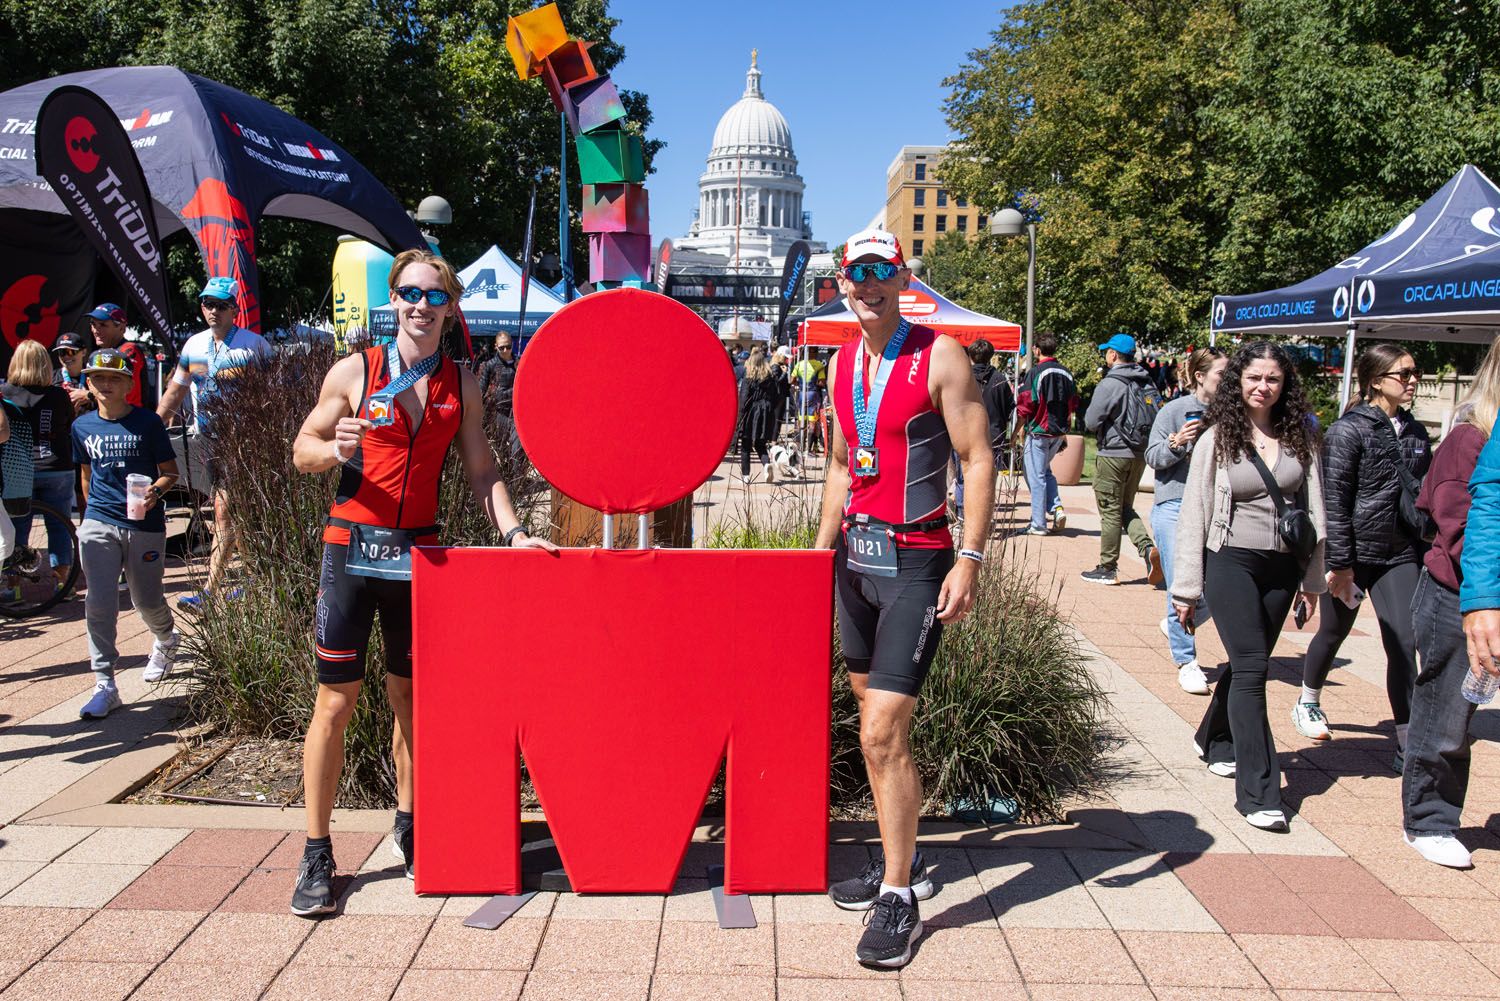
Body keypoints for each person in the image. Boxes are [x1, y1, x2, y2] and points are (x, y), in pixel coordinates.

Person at [289, 249, 556, 918]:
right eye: (408, 293)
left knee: (413, 702)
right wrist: (335, 449)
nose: (419, 305)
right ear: (394, 300)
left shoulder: (460, 383)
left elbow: (484, 469)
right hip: (350, 552)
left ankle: (411, 826)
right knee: (334, 703)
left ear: (449, 307)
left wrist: (515, 532)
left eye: (432, 296)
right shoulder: (356, 370)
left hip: (420, 558)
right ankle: (316, 851)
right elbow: (302, 449)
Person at [814, 229, 993, 968]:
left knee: (884, 731)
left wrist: (972, 559)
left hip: (919, 558)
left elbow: (978, 458)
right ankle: (907, 858)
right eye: (858, 274)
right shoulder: (837, 362)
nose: (870, 286)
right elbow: (836, 466)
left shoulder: (941, 354)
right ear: (843, 281)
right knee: (874, 726)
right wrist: (817, 554)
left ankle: (899, 896)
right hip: (856, 557)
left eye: (883, 272)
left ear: (903, 275)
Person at [1172, 341, 1326, 831]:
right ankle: (1260, 792)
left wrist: (1313, 577)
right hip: (1230, 561)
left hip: (1283, 564)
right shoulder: (1217, 438)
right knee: (1254, 666)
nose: (1263, 387)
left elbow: (1315, 508)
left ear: (1285, 386)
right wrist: (1186, 590)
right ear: (1238, 381)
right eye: (1254, 378)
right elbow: (1194, 515)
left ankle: (1213, 736)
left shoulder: (1302, 437)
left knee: (1245, 664)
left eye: (1273, 379)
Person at [1294, 344, 1431, 765]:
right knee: (1334, 632)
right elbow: (1335, 501)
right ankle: (1308, 699)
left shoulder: (1417, 432)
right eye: (1401, 374)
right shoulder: (1347, 431)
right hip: (1354, 555)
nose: (1410, 381)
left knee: (1404, 642)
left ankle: (1406, 735)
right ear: (1375, 380)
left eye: (1413, 373)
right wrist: (1340, 563)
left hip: (1399, 554)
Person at [1402, 337, 1500, 869]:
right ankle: (1429, 820)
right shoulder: (1471, 437)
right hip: (1456, 595)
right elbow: (1457, 522)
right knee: (1446, 716)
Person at [71, 348, 180, 718]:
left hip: (144, 523)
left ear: (128, 384)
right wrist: (91, 518)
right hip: (100, 521)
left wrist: (156, 492)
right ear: (88, 383)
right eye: (98, 378)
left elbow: (170, 472)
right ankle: (105, 683)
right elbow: (86, 476)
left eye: (114, 379)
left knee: (145, 600)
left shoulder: (148, 423)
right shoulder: (81, 426)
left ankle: (166, 638)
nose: (105, 385)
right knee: (99, 602)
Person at [156, 277, 273, 607]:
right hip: (209, 441)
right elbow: (175, 392)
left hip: (244, 443)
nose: (214, 311)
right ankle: (255, 580)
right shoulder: (194, 345)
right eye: (208, 304)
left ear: (235, 310)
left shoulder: (255, 346)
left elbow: (276, 395)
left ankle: (210, 589)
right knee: (238, 514)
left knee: (223, 511)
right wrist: (153, 428)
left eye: (222, 305)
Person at [1145, 347, 1226, 695]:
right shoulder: (1175, 411)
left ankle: (1175, 622)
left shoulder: (1234, 415)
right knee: (1182, 584)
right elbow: (1152, 456)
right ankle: (1186, 661)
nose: (1230, 381)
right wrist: (1176, 443)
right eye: (1223, 374)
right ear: (1200, 377)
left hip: (1217, 508)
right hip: (1174, 504)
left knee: (1216, 590)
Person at [1082, 333, 1163, 584]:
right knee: (1125, 507)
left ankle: (1107, 567)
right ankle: (1148, 550)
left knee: (1110, 511)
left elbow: (1090, 421)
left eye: (1107, 351)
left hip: (1113, 455)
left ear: (1113, 355)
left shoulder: (1111, 383)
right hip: (1139, 454)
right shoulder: (1147, 381)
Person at [1, 340, 76, 597]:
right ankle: (61, 583)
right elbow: (67, 425)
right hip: (57, 467)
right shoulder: (59, 395)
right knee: (60, 526)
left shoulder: (5, 393)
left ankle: (13, 586)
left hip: (18, 471)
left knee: (16, 528)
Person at [1014, 331, 1077, 535]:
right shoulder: (1066, 373)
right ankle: (1056, 508)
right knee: (1045, 472)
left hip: (1039, 432)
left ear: (1037, 350)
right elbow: (1073, 403)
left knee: (1036, 476)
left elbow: (1025, 403)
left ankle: (1038, 523)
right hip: (1057, 433)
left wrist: (1016, 431)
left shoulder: (1035, 373)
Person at [953, 339, 1013, 520]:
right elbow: (1010, 409)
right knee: (988, 479)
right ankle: (984, 515)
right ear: (991, 356)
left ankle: (963, 513)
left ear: (969, 356)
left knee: (963, 476)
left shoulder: (960, 377)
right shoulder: (1000, 380)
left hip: (964, 435)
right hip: (993, 436)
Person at [87, 303, 148, 407]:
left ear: (121, 328)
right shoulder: (100, 353)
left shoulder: (129, 349)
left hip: (132, 418)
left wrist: (87, 395)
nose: (96, 330)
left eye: (103, 325)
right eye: (93, 324)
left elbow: (125, 394)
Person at [736, 344, 780, 484]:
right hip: (766, 412)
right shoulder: (771, 378)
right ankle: (766, 464)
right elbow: (776, 396)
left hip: (751, 412)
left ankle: (746, 476)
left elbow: (743, 398)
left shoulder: (748, 378)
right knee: (761, 443)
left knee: (746, 444)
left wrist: (739, 418)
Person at [792, 350, 828, 453]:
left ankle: (801, 447)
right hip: (813, 394)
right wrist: (817, 383)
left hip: (801, 395)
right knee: (813, 422)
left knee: (801, 420)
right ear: (815, 352)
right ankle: (809, 449)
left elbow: (791, 380)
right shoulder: (819, 365)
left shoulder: (799, 364)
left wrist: (799, 383)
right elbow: (821, 382)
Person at [478, 333, 516, 418]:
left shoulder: (519, 364)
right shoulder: (490, 365)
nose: (505, 350)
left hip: (516, 411)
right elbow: (481, 390)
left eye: (508, 346)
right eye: (502, 348)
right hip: (497, 412)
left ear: (512, 344)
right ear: (496, 346)